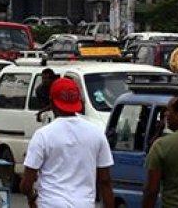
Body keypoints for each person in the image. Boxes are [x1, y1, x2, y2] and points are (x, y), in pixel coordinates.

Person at [21, 77, 115, 208]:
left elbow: (26, 184)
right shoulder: (97, 133)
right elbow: (105, 181)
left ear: (52, 102)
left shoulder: (42, 135)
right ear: (78, 101)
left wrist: (31, 199)